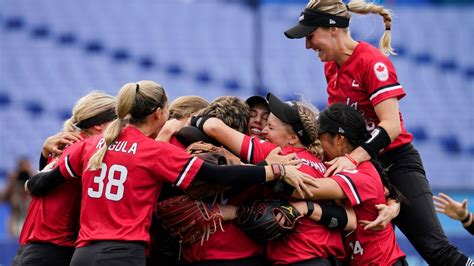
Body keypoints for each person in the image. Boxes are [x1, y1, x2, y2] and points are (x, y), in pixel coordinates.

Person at [25, 80, 317, 266]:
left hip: (81, 254)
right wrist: (273, 171)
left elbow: (38, 184)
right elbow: (218, 176)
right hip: (123, 253)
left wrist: (44, 152)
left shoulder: (92, 144)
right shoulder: (153, 151)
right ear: (158, 114)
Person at [284, 0, 470, 265]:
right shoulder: (330, 67)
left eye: (311, 35)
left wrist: (353, 160)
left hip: (396, 162)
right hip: (368, 169)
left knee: (435, 250)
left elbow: (391, 126)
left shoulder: (372, 62)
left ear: (333, 29)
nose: (307, 45)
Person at [191, 93, 356, 265]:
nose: (263, 130)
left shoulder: (280, 154)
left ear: (292, 138)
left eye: (270, 127)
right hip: (330, 259)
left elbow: (215, 128)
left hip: (298, 258)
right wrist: (307, 207)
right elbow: (351, 221)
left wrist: (190, 121)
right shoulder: (324, 166)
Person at [290, 103, 406, 265]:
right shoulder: (338, 165)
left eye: (320, 136)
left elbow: (308, 189)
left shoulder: (360, 172)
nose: (315, 142)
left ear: (339, 139)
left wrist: (268, 173)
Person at [15, 91, 117, 266]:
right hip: (54, 248)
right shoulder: (87, 150)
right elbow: (34, 187)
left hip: (31, 248)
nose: (122, 128)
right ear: (99, 125)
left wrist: (43, 155)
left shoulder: (65, 146)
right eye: (117, 122)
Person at [1, 158, 32, 237]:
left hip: (30, 223)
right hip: (15, 222)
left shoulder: (33, 188)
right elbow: (3, 198)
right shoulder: (13, 190)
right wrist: (11, 182)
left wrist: (32, 178)